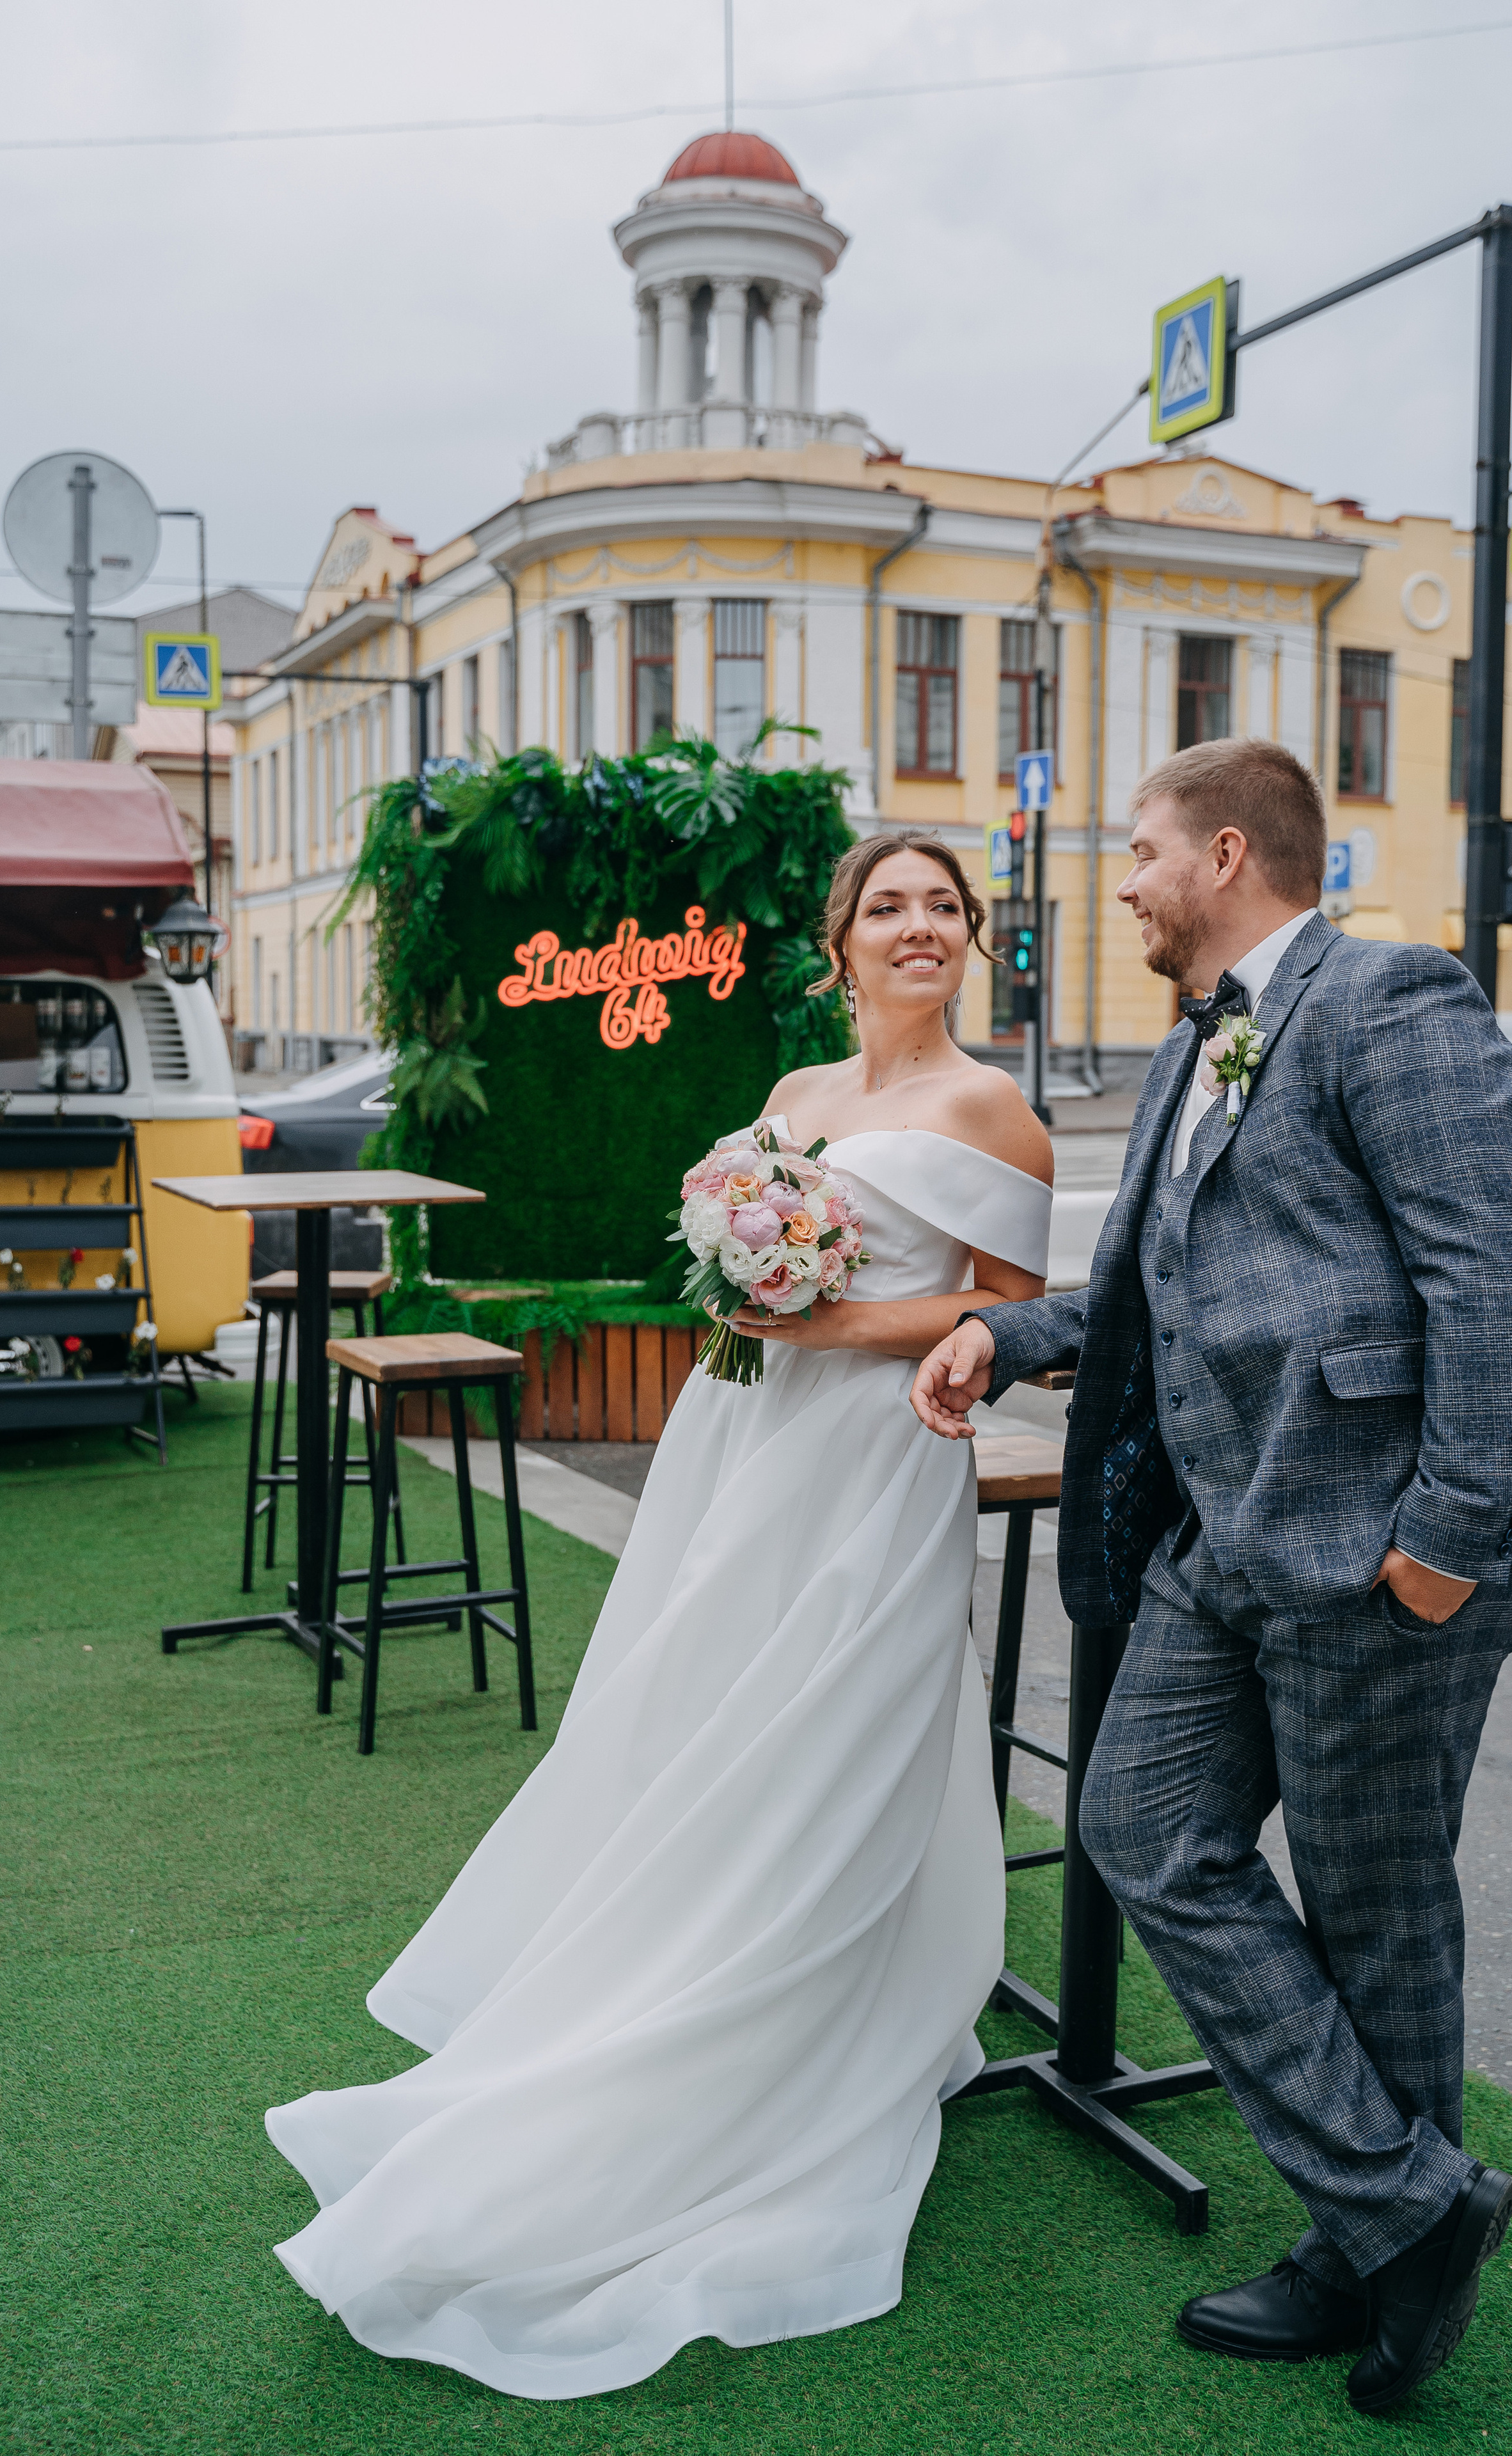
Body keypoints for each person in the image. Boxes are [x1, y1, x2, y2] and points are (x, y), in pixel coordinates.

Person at [264, 833, 1053, 2399]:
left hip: (875, 1457)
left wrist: (826, 1316)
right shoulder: (795, 1095)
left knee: (829, 1735)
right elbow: (735, 1264)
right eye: (888, 907)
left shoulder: (995, 1110)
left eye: (942, 909)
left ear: (969, 938)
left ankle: (801, 2016)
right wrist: (744, 1290)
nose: (918, 927)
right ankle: (658, 1977)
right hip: (744, 1438)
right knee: (703, 1715)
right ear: (838, 942)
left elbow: (1009, 1311)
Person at [911, 736, 1512, 2419]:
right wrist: (1007, 1332)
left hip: (1381, 1546)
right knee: (1142, 1826)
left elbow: (1493, 1275)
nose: (1122, 882)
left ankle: (1369, 2253)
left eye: (1140, 852)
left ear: (1224, 855)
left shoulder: (1387, 999)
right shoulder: (1188, 1046)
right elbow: (1150, 1296)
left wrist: (1443, 1542)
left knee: (1374, 1910)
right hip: (1228, 1537)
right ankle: (1404, 2207)